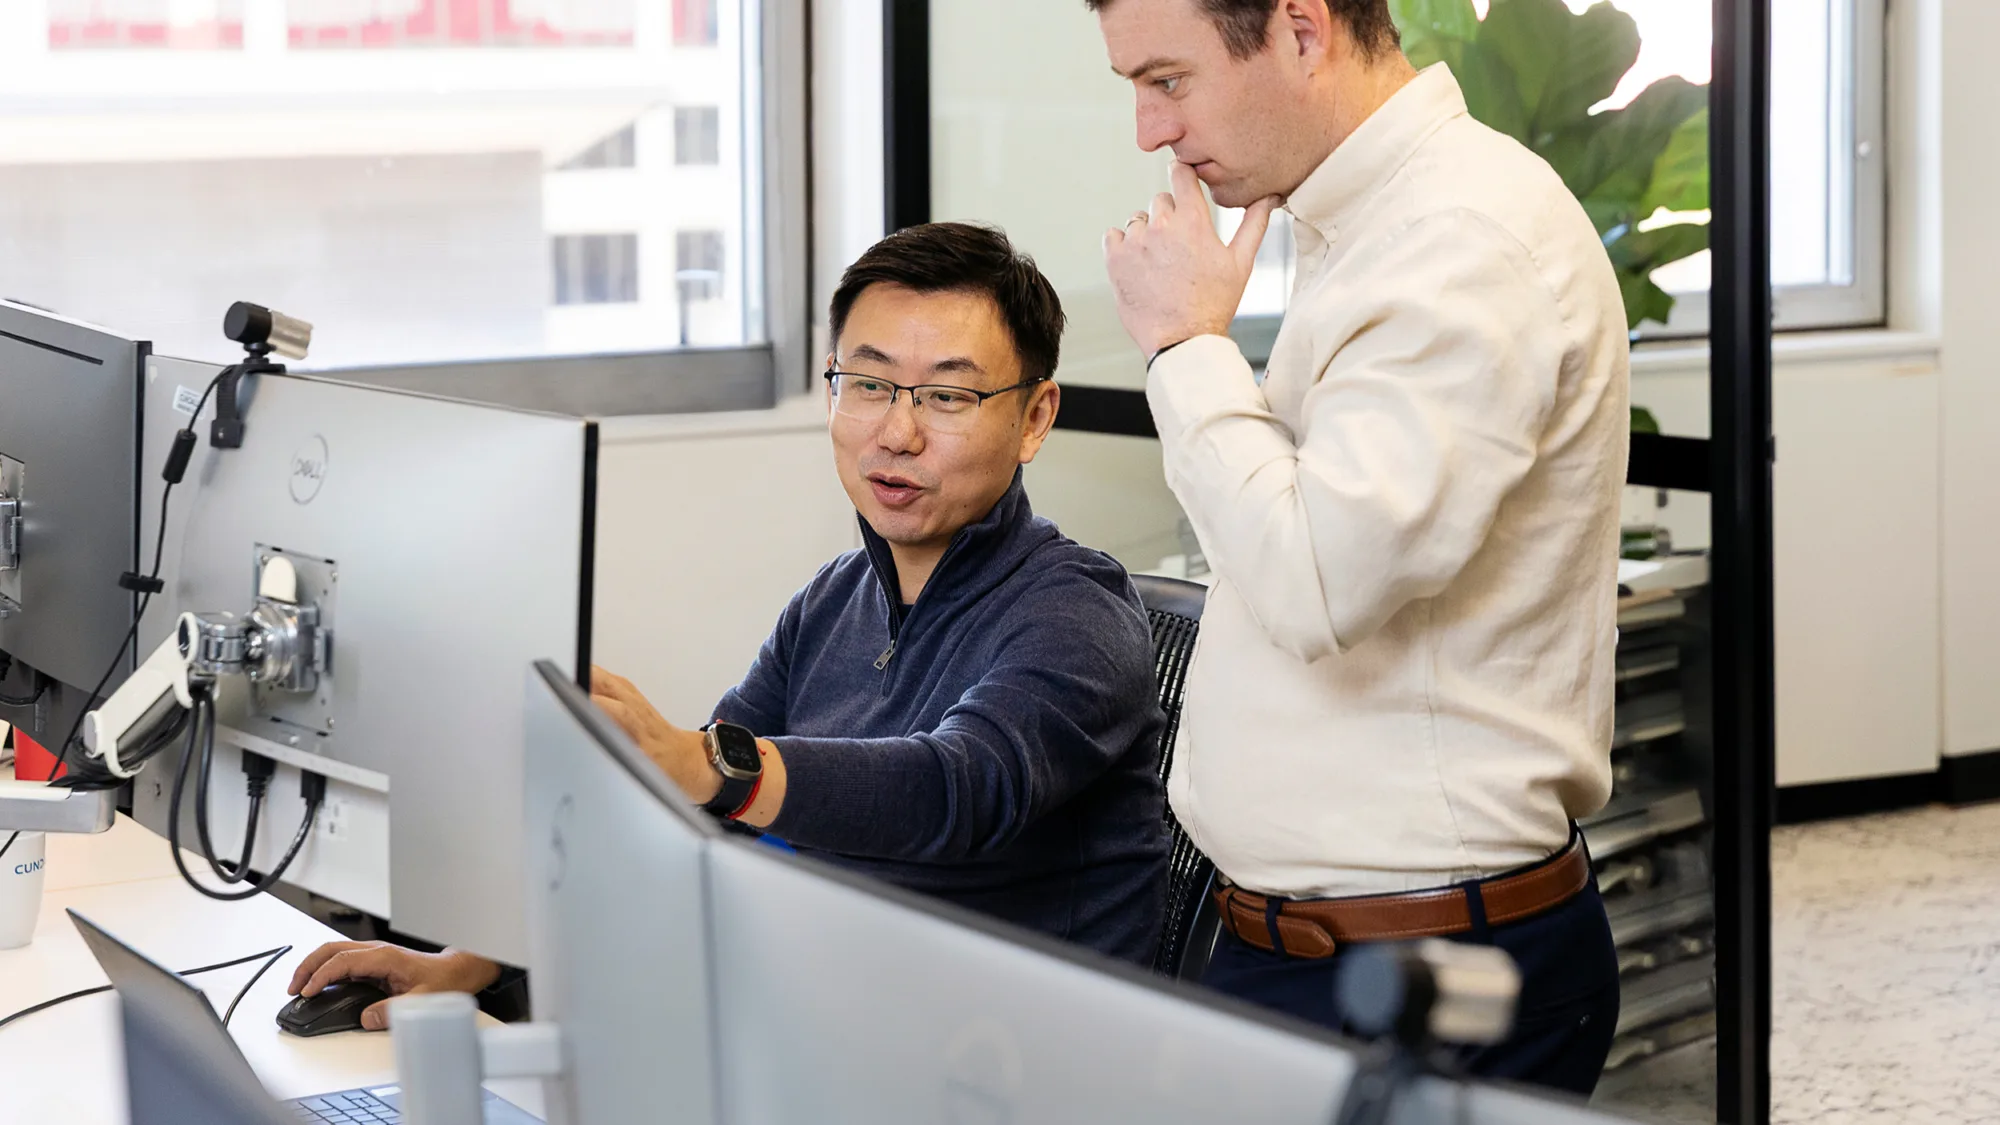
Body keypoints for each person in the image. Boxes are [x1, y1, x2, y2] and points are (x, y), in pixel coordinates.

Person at [287, 222, 1173, 1028]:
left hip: (1019, 1074)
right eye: (867, 384)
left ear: (1035, 418)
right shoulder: (833, 600)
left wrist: (710, 763)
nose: (896, 431)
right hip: (825, 1042)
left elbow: (955, 788)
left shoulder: (1077, 614)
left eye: (947, 398)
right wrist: (471, 963)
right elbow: (690, 827)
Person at [1089, 0, 1629, 1094]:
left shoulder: (1459, 240)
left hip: (1426, 964)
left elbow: (1316, 581)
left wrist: (1186, 349)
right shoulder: (1368, 223)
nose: (1148, 129)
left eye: (1168, 79)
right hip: (1311, 945)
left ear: (1298, 29)